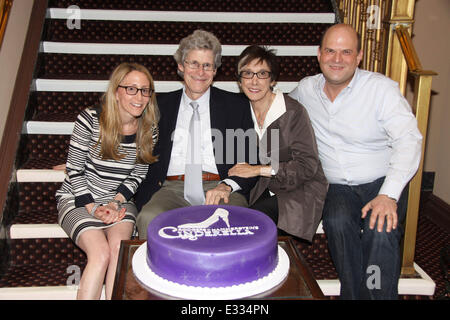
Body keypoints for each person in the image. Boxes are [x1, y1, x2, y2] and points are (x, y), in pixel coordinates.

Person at [289, 24, 423, 299]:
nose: (337, 59)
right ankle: (353, 294)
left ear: (359, 56)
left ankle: (376, 296)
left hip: (381, 181)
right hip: (337, 186)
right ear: (319, 54)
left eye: (346, 52)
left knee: (380, 228)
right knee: (337, 221)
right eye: (330, 51)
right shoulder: (306, 89)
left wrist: (388, 194)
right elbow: (279, 111)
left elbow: (409, 140)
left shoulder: (381, 89)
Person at [134, 30, 257, 239]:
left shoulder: (236, 106)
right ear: (181, 66)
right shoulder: (158, 105)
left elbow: (251, 158)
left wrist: (227, 185)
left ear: (215, 70)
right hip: (170, 188)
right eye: (193, 63)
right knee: (149, 218)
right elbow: (122, 124)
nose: (200, 71)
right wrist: (100, 154)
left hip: (220, 185)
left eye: (207, 65)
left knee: (235, 220)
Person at [55, 62, 159, 300]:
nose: (139, 96)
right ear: (116, 91)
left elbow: (138, 174)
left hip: (119, 200)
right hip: (79, 199)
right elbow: (74, 169)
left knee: (118, 252)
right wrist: (93, 207)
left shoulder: (149, 128)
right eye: (131, 89)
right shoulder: (90, 119)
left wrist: (114, 203)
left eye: (145, 90)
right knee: (100, 253)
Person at [228, 45, 328, 241]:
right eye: (247, 73)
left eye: (262, 73)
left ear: (273, 79)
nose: (254, 81)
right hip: (264, 187)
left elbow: (307, 166)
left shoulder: (292, 112)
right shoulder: (240, 110)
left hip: (300, 189)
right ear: (240, 80)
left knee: (254, 221)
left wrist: (258, 169)